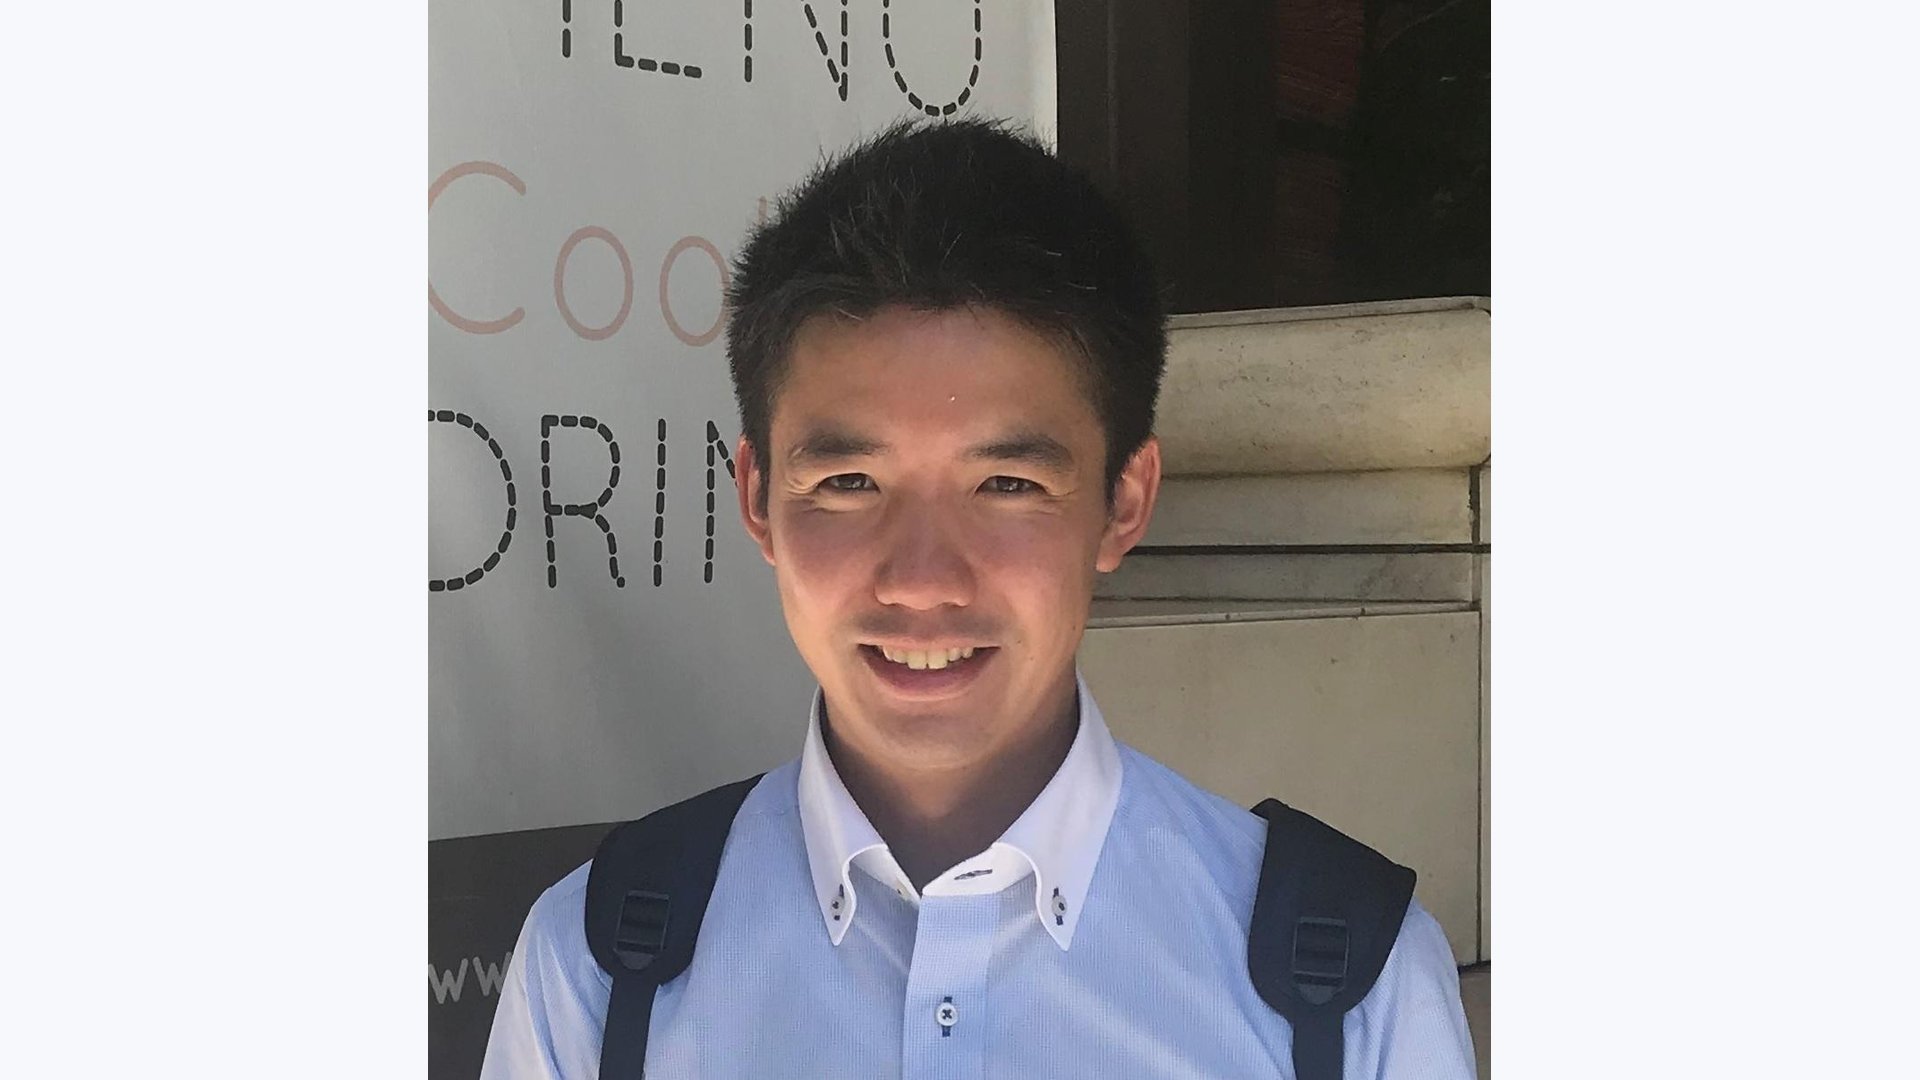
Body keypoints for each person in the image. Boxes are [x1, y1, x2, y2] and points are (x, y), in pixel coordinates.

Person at [479, 117, 1477, 1079]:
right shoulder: (600, 972)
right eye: (849, 482)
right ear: (757, 499)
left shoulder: (1352, 991)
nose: (922, 579)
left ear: (1124, 502)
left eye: (1007, 484)